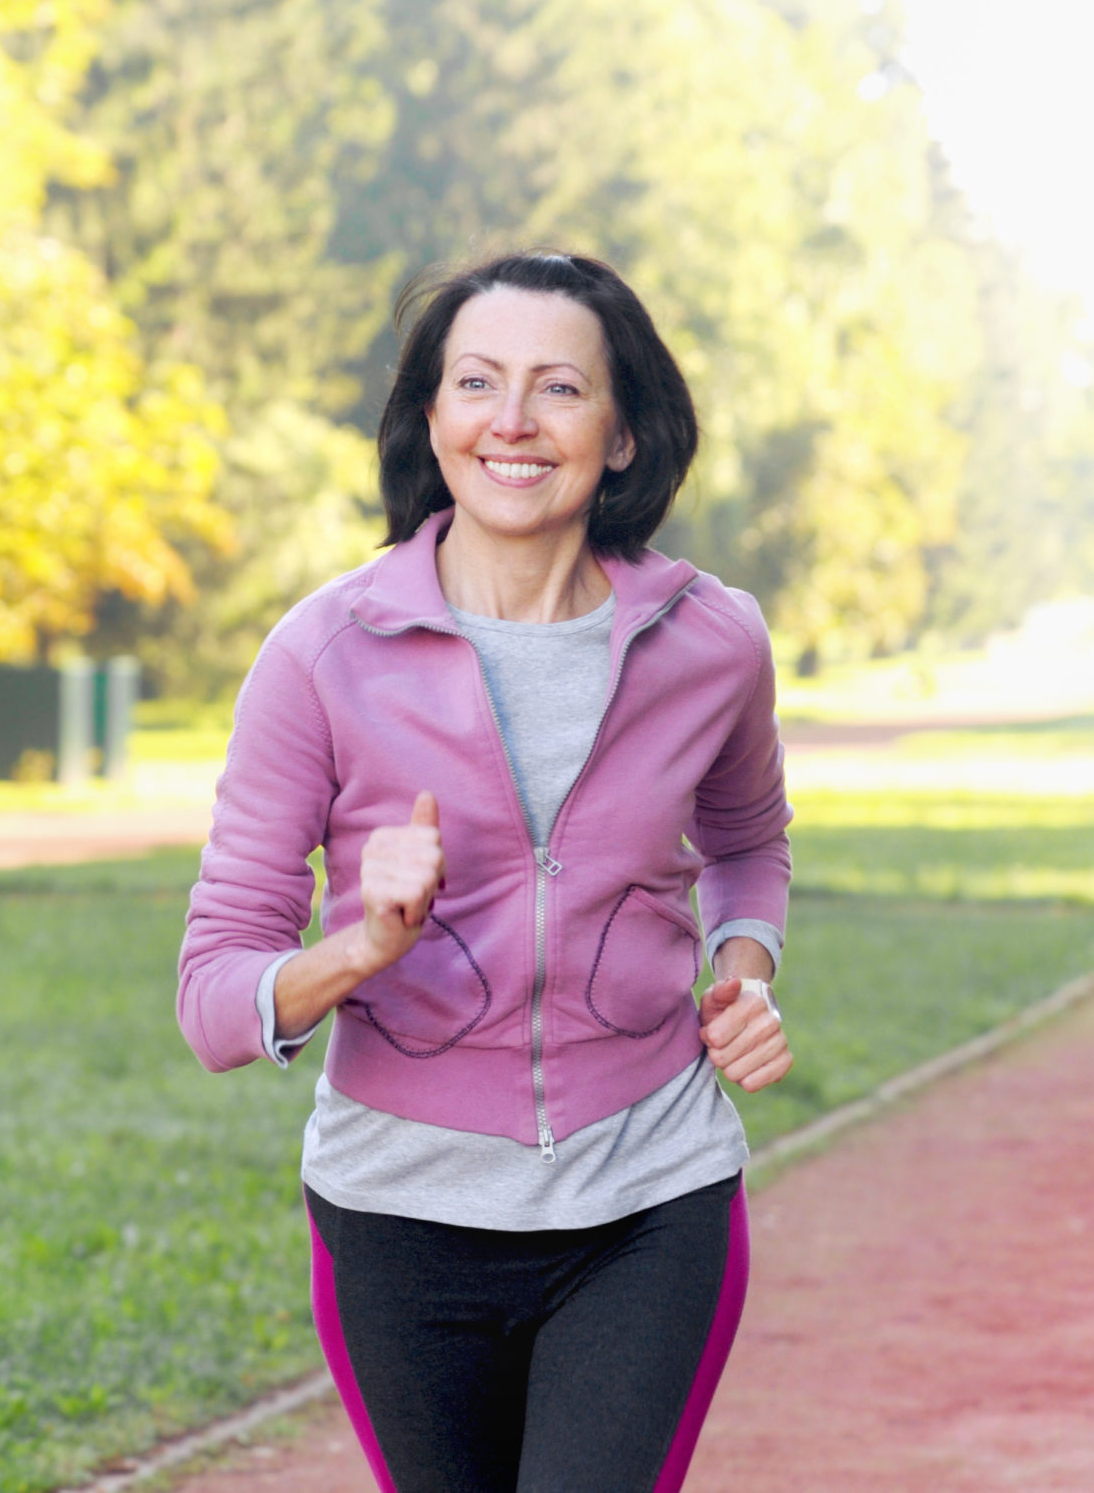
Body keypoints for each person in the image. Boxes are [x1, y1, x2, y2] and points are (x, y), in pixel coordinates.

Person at [177, 251, 794, 1492]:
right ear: (433, 417)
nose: (511, 421)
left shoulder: (712, 639)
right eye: (476, 382)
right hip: (399, 1214)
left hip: (647, 1193)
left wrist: (743, 968)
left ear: (620, 434)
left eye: (558, 387)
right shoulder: (321, 654)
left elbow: (746, 839)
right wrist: (361, 944)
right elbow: (211, 1001)